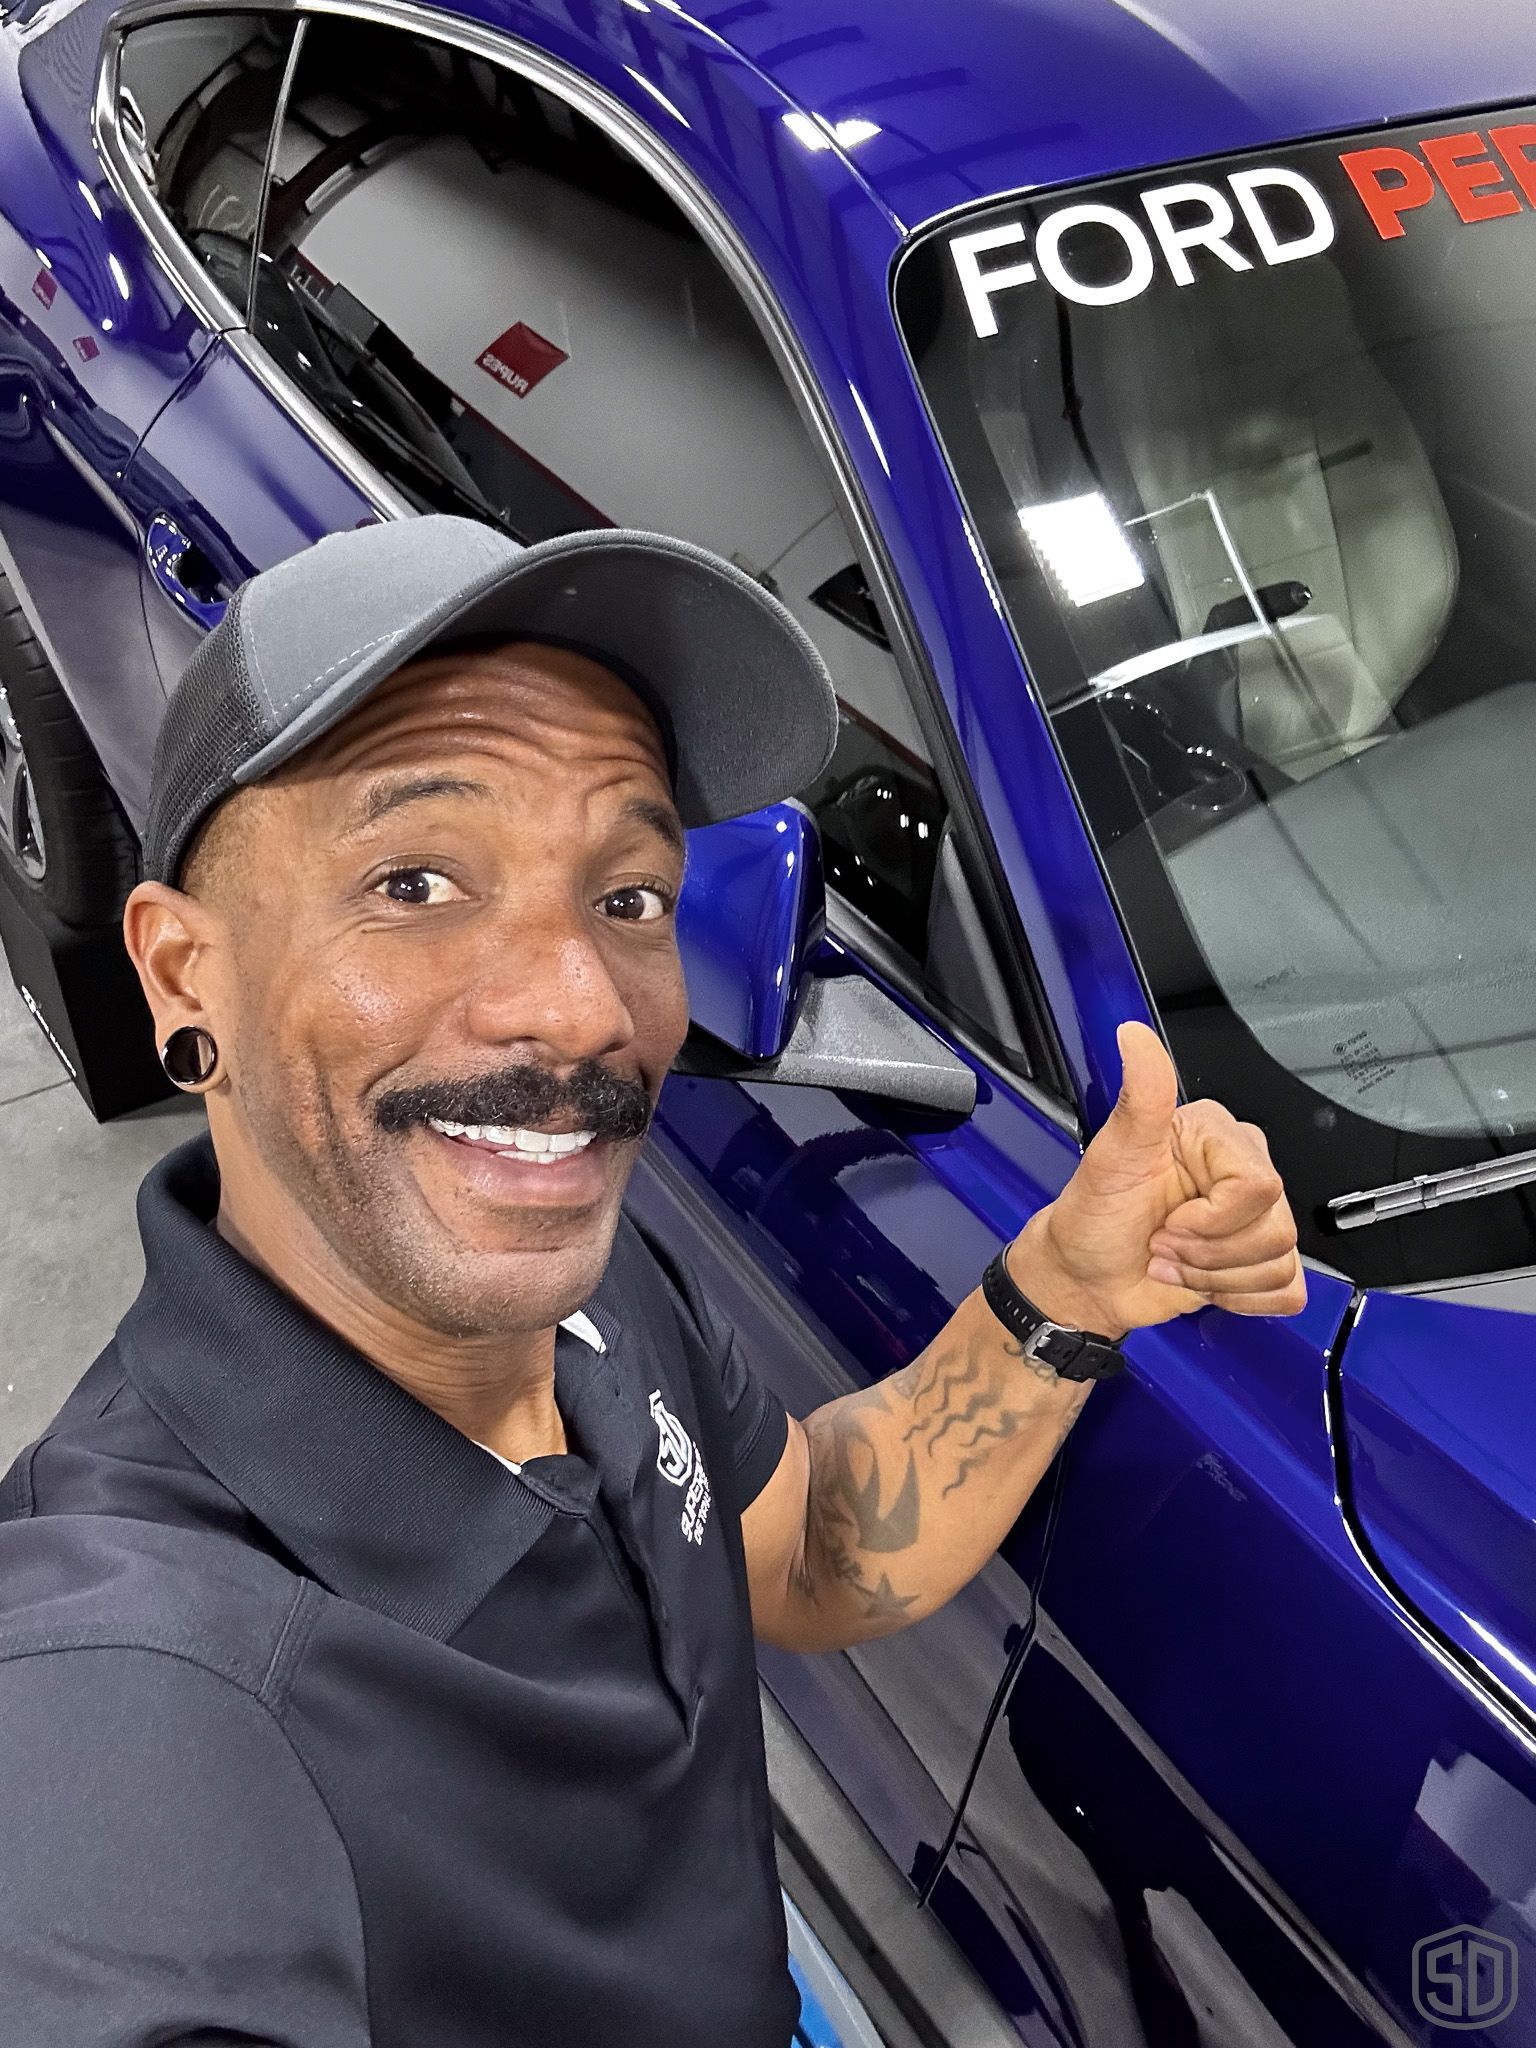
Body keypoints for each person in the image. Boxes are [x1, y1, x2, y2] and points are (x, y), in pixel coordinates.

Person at [0, 517, 1304, 2047]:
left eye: (627, 896)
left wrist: (1065, 1293)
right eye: (415, 880)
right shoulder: (130, 1686)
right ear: (181, 974)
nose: (578, 1006)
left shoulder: (584, 1305)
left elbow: (809, 1541)